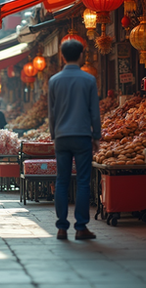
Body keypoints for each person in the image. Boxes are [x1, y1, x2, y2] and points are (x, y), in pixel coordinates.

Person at [48, 39, 100, 241]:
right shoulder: (88, 80)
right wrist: (96, 136)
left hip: (61, 136)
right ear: (81, 56)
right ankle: (81, 227)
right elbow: (94, 112)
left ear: (62, 57)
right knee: (83, 181)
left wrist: (54, 135)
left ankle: (61, 227)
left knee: (61, 180)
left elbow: (51, 113)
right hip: (82, 136)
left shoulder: (54, 81)